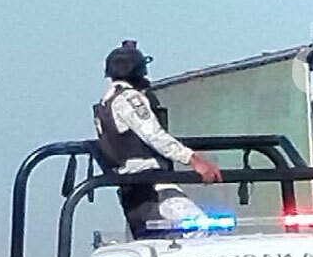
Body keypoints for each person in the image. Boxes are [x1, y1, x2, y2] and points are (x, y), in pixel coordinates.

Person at [93, 40, 223, 239]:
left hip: (134, 189)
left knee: (164, 241)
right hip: (152, 185)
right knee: (201, 227)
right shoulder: (129, 99)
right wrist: (194, 160)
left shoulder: (106, 103)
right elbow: (154, 135)